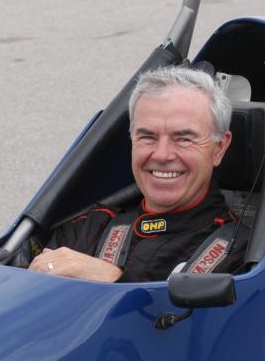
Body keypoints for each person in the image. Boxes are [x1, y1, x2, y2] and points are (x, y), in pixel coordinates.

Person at [27, 66, 248, 282]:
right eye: (148, 137)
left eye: (183, 138)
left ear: (219, 148)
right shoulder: (90, 226)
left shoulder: (240, 254)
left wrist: (116, 281)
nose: (162, 155)